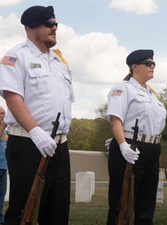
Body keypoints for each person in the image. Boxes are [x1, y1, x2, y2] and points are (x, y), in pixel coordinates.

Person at [0, 5, 74, 225]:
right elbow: (13, 98)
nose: (54, 28)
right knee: (24, 211)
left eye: (56, 24)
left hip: (60, 145)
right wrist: (35, 131)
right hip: (28, 143)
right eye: (49, 24)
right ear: (31, 26)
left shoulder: (59, 62)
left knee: (57, 212)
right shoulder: (15, 57)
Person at [105, 49, 167, 225]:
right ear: (135, 67)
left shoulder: (152, 94)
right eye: (148, 63)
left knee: (146, 204)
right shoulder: (122, 88)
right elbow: (115, 119)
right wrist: (122, 144)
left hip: (152, 149)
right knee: (122, 202)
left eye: (154, 63)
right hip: (131, 148)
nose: (152, 66)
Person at [0, 107, 8, 225]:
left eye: (4, 113)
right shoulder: (3, 128)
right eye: (1, 113)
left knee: (1, 196)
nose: (3, 115)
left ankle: (0, 220)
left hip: (4, 167)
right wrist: (2, 126)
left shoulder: (6, 131)